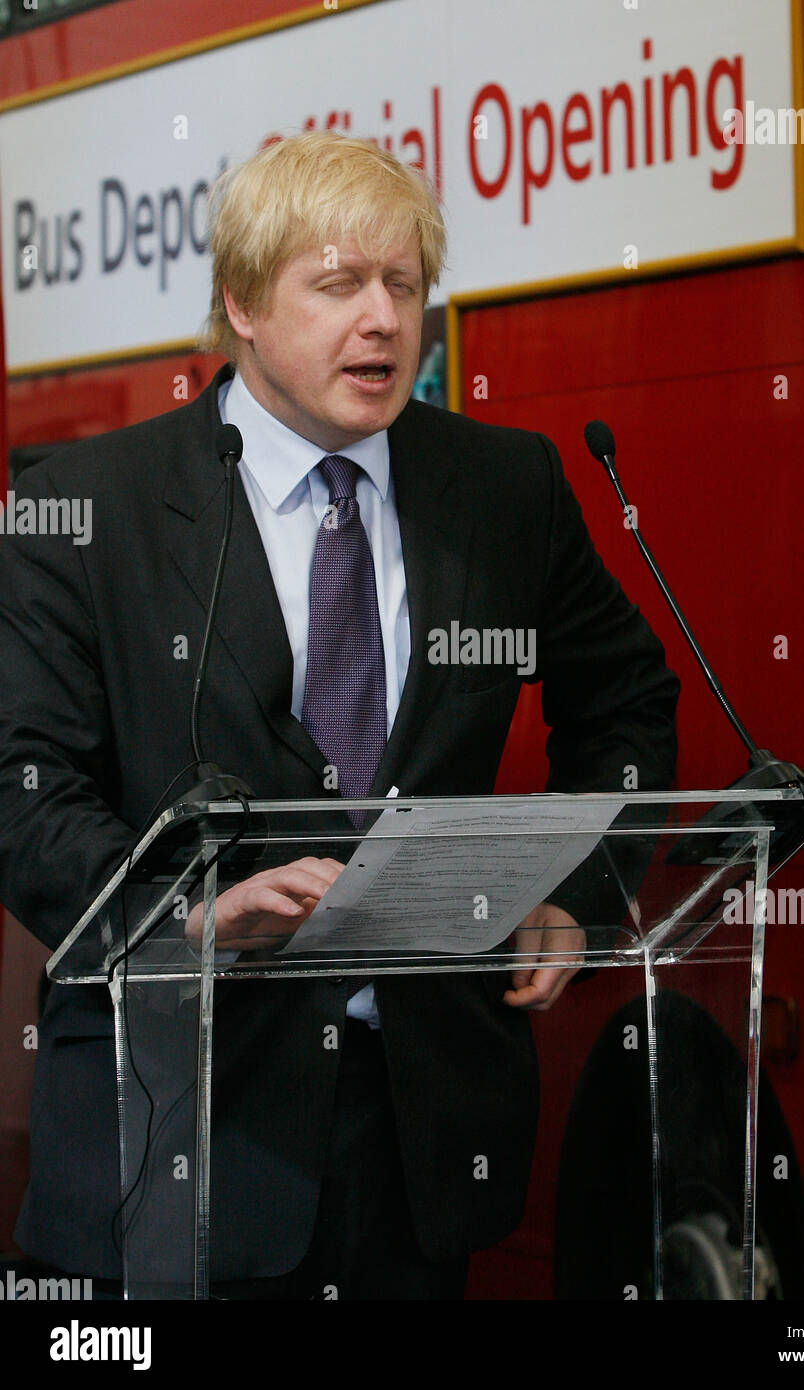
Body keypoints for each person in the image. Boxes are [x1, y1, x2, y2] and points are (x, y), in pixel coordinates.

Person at [0, 132, 679, 1299]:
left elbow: (625, 697)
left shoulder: (504, 487)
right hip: (175, 1120)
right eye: (338, 284)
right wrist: (195, 912)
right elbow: (27, 785)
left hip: (419, 1134)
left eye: (403, 286)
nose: (381, 320)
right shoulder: (84, 504)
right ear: (242, 305)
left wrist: (577, 891)